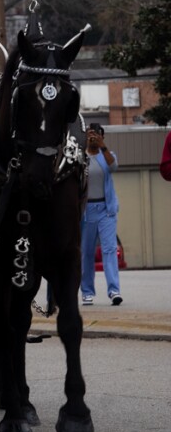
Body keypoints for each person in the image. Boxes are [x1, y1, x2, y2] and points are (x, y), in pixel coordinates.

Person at [81, 123, 122, 306]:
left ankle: (114, 290)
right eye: (90, 134)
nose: (93, 137)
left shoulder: (107, 156)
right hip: (86, 211)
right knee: (86, 253)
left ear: (102, 136)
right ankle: (87, 291)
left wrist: (102, 146)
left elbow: (114, 168)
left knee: (109, 250)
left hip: (106, 210)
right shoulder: (81, 157)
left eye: (96, 134)